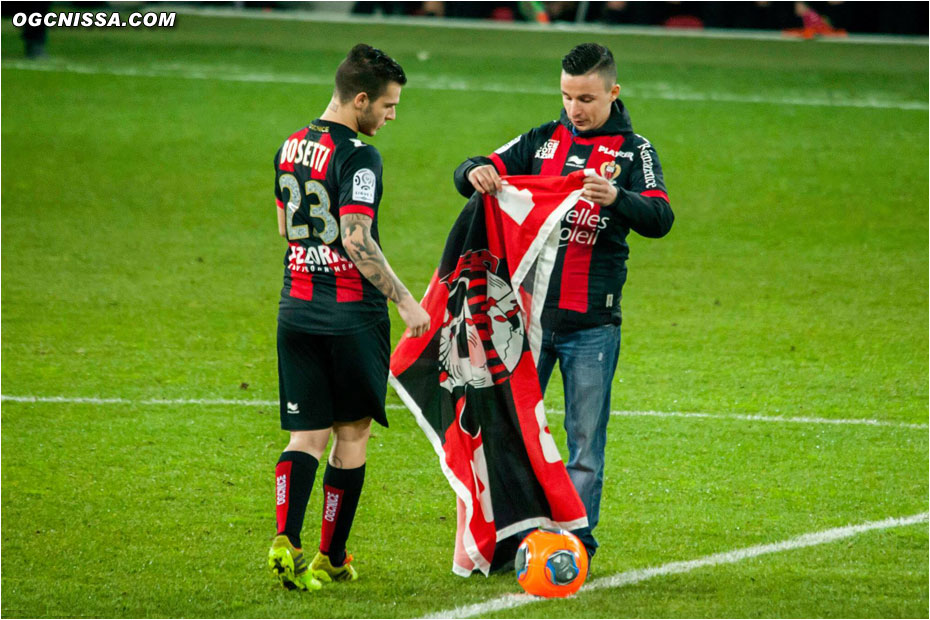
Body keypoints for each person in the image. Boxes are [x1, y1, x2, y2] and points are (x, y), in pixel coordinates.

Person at [453, 43, 674, 560]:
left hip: (593, 324)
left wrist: (618, 199)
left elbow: (661, 218)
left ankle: (575, 544)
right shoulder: (542, 140)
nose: (575, 109)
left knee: (584, 446)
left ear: (613, 93)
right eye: (568, 96)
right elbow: (470, 167)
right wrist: (474, 174)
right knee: (509, 435)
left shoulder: (634, 152)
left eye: (587, 98)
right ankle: (513, 536)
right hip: (525, 323)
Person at [268, 43, 430, 592]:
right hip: (350, 316)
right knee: (351, 435)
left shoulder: (290, 145)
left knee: (303, 435)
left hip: (296, 306)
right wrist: (405, 300)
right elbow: (357, 239)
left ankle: (283, 539)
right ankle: (331, 557)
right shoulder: (359, 156)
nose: (390, 116)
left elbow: (285, 227)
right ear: (360, 99)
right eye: (387, 106)